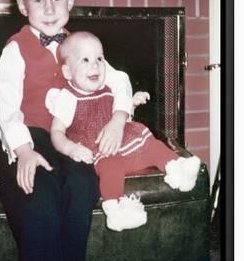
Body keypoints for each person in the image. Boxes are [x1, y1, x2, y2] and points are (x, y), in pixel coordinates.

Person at [0, 0, 133, 261]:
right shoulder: (15, 49)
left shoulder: (81, 45)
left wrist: (119, 117)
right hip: (33, 135)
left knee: (82, 185)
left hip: (74, 137)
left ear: (70, 1)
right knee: (37, 192)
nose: (50, 8)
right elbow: (5, 106)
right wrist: (22, 150)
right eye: (39, 1)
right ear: (23, 6)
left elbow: (118, 80)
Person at [47, 31, 201, 232]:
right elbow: (56, 132)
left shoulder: (109, 87)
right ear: (67, 72)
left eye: (99, 59)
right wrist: (70, 148)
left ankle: (177, 169)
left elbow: (118, 111)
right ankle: (116, 209)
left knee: (152, 145)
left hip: (125, 143)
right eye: (85, 60)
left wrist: (132, 103)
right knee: (111, 167)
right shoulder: (67, 98)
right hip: (99, 148)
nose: (95, 65)